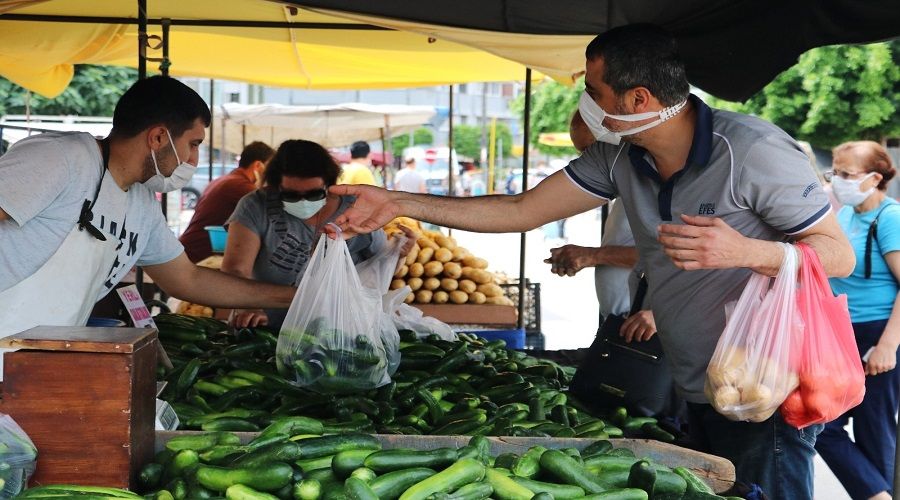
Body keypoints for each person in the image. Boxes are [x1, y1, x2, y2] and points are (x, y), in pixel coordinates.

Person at [329, 24, 854, 498]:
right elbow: (521, 209)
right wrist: (397, 201)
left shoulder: (752, 150)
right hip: (694, 384)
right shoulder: (620, 156)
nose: (587, 103)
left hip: (766, 386)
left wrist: (748, 252)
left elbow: (839, 255)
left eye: (594, 92)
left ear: (638, 98)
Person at [0, 76, 296, 338]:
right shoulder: (63, 158)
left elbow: (188, 280)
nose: (193, 160)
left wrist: (295, 298)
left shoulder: (141, 204)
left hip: (38, 361)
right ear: (157, 137)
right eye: (193, 144)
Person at [221, 139, 408, 329]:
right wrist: (246, 307)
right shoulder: (255, 206)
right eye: (291, 195)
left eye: (313, 195)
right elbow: (234, 271)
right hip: (265, 332)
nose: (303, 201)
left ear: (329, 185)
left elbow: (381, 269)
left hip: (340, 332)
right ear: (276, 187)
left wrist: (398, 255)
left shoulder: (355, 210)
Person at [815, 141, 900, 500]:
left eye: (847, 174)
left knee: (874, 433)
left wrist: (887, 346)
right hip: (843, 335)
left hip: (876, 334)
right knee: (822, 425)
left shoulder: (890, 217)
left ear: (874, 178)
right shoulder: (847, 215)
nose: (838, 181)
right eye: (836, 172)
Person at [546, 111, 655, 341]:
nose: (587, 161)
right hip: (622, 323)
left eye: (591, 151)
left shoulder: (656, 186)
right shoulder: (626, 185)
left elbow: (664, 256)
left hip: (644, 328)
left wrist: (592, 256)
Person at [179, 141, 275, 263]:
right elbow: (272, 211)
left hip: (190, 250)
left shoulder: (225, 180)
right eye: (270, 168)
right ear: (258, 166)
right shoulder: (240, 186)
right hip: (199, 256)